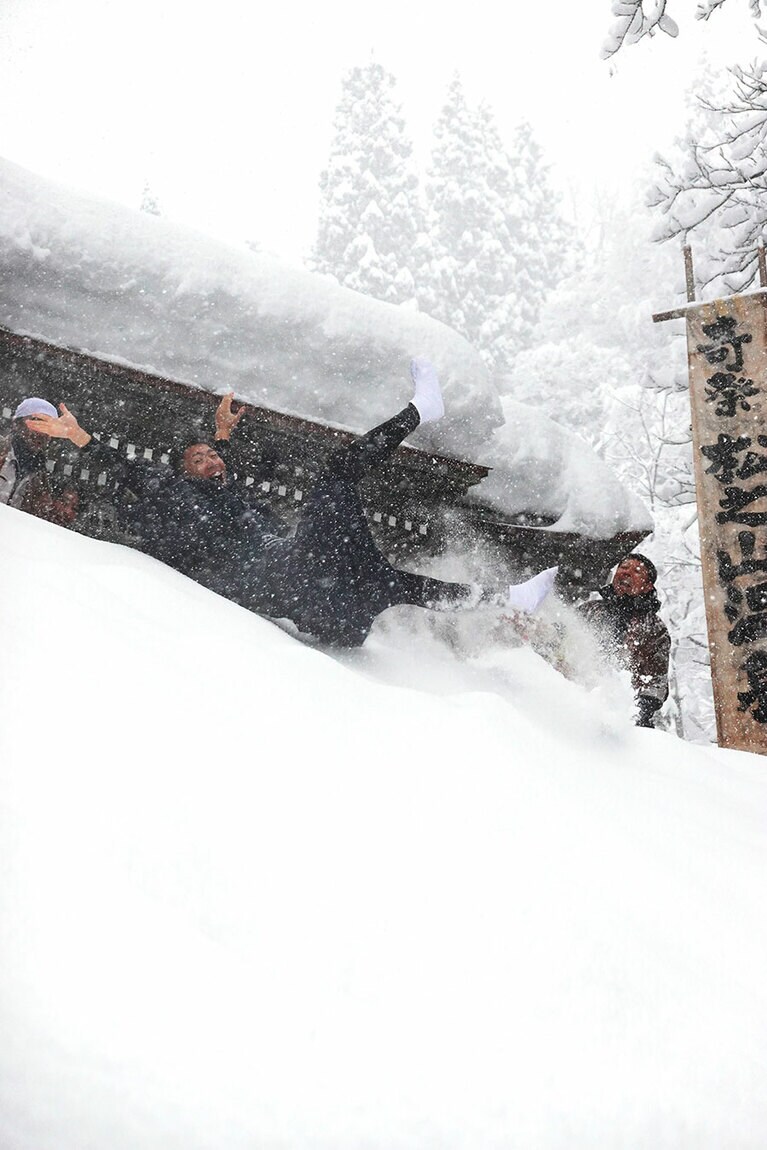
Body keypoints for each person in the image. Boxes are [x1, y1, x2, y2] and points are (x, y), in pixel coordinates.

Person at [29, 359, 558, 647]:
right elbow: (124, 469)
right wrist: (78, 436)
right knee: (334, 475)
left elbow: (224, 481)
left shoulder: (223, 492)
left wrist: (220, 435)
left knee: (393, 580)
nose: (211, 462)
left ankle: (506, 600)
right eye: (197, 459)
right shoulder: (168, 492)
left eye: (213, 457)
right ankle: (421, 409)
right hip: (285, 577)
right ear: (178, 472)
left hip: (330, 614)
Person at [578, 553, 670, 727]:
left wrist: (637, 716)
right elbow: (560, 639)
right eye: (624, 567)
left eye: (637, 571)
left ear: (648, 586)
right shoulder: (590, 610)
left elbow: (656, 682)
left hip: (623, 721)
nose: (627, 573)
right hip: (578, 705)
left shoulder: (654, 628)